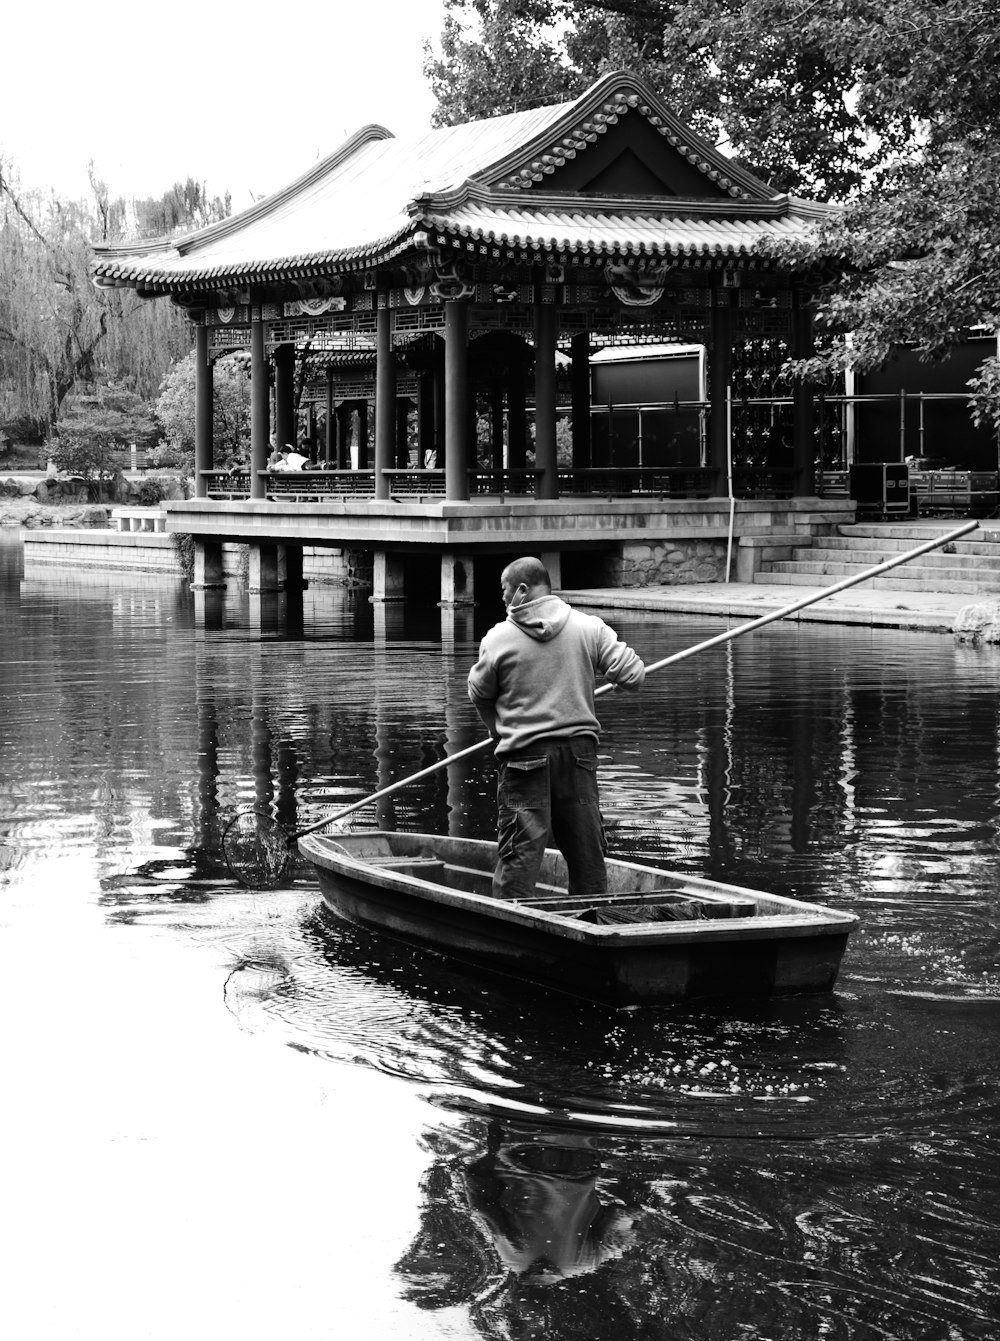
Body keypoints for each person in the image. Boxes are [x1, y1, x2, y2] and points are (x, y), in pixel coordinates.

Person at [468, 556, 645, 901]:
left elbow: (479, 694)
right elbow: (634, 676)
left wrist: (495, 730)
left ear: (522, 589)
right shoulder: (589, 628)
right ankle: (593, 922)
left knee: (519, 853)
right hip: (578, 757)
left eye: (504, 591)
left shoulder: (498, 639)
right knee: (586, 853)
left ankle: (512, 930)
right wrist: (610, 671)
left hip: (524, 758)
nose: (502, 599)